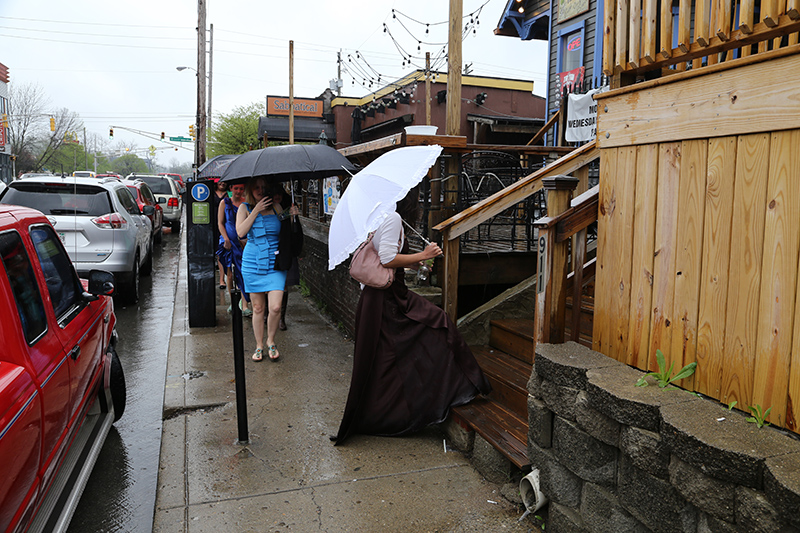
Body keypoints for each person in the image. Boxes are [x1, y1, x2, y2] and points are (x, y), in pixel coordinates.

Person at [332, 186, 491, 445]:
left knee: (384, 359)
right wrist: (424, 254)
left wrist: (417, 262)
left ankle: (387, 413)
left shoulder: (384, 217)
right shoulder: (392, 218)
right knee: (438, 323)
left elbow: (388, 256)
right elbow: (386, 258)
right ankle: (452, 389)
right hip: (388, 299)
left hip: (381, 298)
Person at [236, 178, 300, 362]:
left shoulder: (277, 208)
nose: (260, 190)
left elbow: (286, 228)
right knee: (257, 308)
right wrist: (256, 210)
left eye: (264, 188)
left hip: (275, 263)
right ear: (250, 190)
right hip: (252, 263)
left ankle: (271, 340)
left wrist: (292, 214)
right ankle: (259, 345)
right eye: (256, 188)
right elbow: (240, 232)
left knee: (275, 307)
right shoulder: (244, 208)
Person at [217, 181, 251, 316]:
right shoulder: (224, 203)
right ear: (231, 189)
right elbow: (220, 223)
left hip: (242, 242)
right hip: (228, 242)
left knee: (243, 271)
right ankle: (232, 301)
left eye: (241, 188)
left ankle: (245, 304)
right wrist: (225, 238)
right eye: (236, 188)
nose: (238, 191)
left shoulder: (246, 203)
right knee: (229, 273)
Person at [272, 183, 301, 330]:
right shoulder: (265, 207)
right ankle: (267, 312)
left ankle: (281, 318)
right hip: (270, 247)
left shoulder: (288, 205)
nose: (277, 197)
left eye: (279, 194)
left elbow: (295, 231)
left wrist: (293, 217)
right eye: (274, 194)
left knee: (283, 283)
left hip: (284, 247)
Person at [213, 180, 229, 289]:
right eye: (220, 181)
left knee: (223, 252)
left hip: (227, 225)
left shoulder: (230, 194)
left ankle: (225, 278)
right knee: (218, 251)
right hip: (214, 224)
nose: (222, 183)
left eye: (224, 182)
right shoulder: (211, 193)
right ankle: (221, 279)